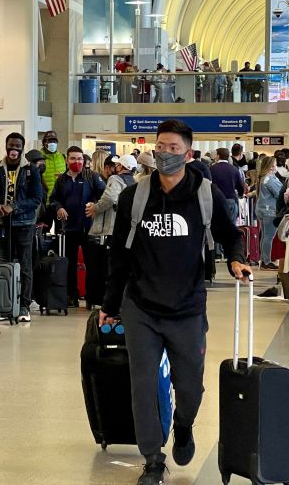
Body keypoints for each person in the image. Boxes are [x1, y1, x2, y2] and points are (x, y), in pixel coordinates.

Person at [101, 120, 250, 485]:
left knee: (190, 387)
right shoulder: (133, 196)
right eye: (160, 146)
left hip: (187, 308)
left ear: (188, 153)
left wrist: (235, 259)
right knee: (143, 383)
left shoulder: (205, 194)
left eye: (172, 147)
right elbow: (119, 254)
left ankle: (183, 425)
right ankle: (153, 458)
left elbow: (232, 235)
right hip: (141, 307)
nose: (164, 153)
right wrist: (110, 303)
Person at [0, 132, 44, 322]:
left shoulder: (30, 171)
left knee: (25, 266)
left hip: (25, 224)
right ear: (6, 145)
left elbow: (36, 199)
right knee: (4, 264)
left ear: (22, 147)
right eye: (11, 145)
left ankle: (24, 306)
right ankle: (5, 305)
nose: (14, 149)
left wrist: (14, 207)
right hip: (3, 224)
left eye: (18, 146)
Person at [48, 146, 106, 309]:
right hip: (69, 229)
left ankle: (92, 297)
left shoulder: (92, 177)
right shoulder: (61, 180)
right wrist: (59, 207)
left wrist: (96, 206)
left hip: (90, 228)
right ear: (67, 160)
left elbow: (105, 196)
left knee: (92, 264)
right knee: (70, 263)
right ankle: (71, 296)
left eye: (80, 158)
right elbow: (53, 198)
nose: (77, 162)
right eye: (73, 158)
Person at [86, 154, 136, 308]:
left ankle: (99, 299)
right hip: (126, 230)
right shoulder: (134, 182)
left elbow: (110, 197)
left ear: (121, 167)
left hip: (109, 228)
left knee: (102, 266)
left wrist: (95, 207)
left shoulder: (115, 179)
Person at [255, 155, 283, 270]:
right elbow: (280, 193)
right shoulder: (270, 179)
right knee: (269, 237)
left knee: (265, 237)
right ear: (271, 166)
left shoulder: (263, 177)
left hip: (263, 209)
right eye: (275, 164)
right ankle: (266, 261)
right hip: (270, 211)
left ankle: (264, 260)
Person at [209, 148, 245, 226]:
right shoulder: (234, 169)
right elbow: (240, 186)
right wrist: (241, 194)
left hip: (215, 200)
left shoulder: (211, 169)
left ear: (218, 156)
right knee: (230, 225)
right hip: (230, 199)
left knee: (217, 225)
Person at [40, 130, 66, 199]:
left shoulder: (63, 157)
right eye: (49, 141)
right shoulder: (39, 159)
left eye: (54, 141)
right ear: (44, 142)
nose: (52, 143)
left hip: (61, 201)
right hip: (45, 201)